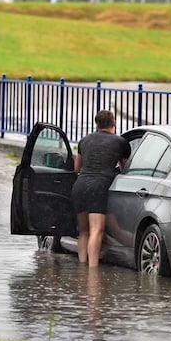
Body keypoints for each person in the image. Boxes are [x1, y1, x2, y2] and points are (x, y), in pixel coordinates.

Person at [71, 110, 131, 268]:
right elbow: (125, 170)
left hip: (80, 185)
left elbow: (77, 168)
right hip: (99, 186)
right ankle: (92, 272)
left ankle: (82, 269)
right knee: (96, 230)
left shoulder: (84, 141)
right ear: (114, 123)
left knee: (83, 231)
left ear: (96, 124)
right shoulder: (121, 142)